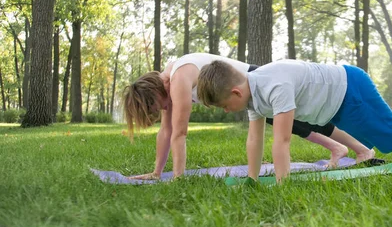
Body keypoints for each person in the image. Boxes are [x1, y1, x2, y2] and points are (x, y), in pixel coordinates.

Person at [197, 59, 392, 182]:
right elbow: (255, 139)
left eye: (224, 105)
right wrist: (252, 178)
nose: (225, 111)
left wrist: (281, 184)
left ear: (235, 91)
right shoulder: (253, 95)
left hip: (350, 90)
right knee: (385, 138)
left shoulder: (273, 86)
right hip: (337, 104)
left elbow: (281, 141)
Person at [122, 53, 375, 179]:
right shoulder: (168, 80)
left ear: (158, 89)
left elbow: (179, 133)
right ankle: (340, 148)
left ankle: (358, 149)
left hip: (251, 83)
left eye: (158, 105)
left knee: (305, 121)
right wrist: (156, 172)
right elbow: (166, 131)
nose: (164, 110)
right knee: (302, 124)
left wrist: (177, 178)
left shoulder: (177, 80)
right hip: (242, 88)